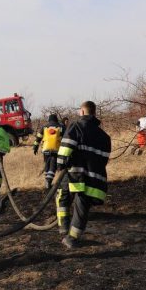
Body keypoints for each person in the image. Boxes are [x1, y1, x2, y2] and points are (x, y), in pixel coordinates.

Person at [55, 101, 111, 249]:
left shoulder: (76, 126)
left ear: (82, 111)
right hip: (95, 178)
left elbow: (66, 147)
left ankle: (64, 229)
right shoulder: (104, 136)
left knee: (62, 195)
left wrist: (60, 164)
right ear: (94, 113)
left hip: (76, 174)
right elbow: (104, 159)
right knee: (82, 208)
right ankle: (72, 238)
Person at [33, 113, 64, 189]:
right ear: (56, 119)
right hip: (56, 150)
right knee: (53, 166)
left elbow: (38, 138)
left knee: (47, 165)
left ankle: (47, 181)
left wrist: (35, 147)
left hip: (45, 150)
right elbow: (66, 138)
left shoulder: (44, 127)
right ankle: (48, 181)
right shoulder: (61, 127)